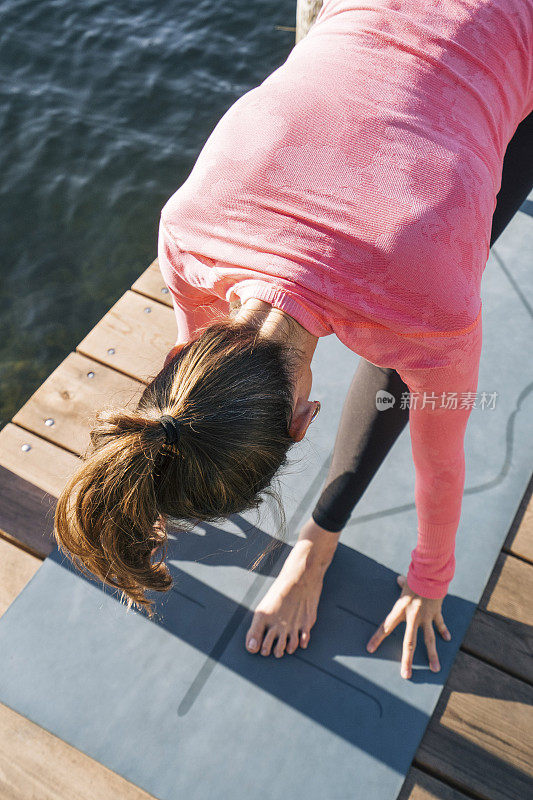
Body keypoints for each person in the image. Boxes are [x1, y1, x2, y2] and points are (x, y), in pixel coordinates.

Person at [54, 0, 532, 680]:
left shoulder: (432, 299)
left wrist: (430, 577)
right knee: (407, 333)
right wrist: (156, 484)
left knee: (411, 347)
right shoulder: (187, 232)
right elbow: (194, 365)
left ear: (303, 422)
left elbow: (443, 459)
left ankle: (316, 545)